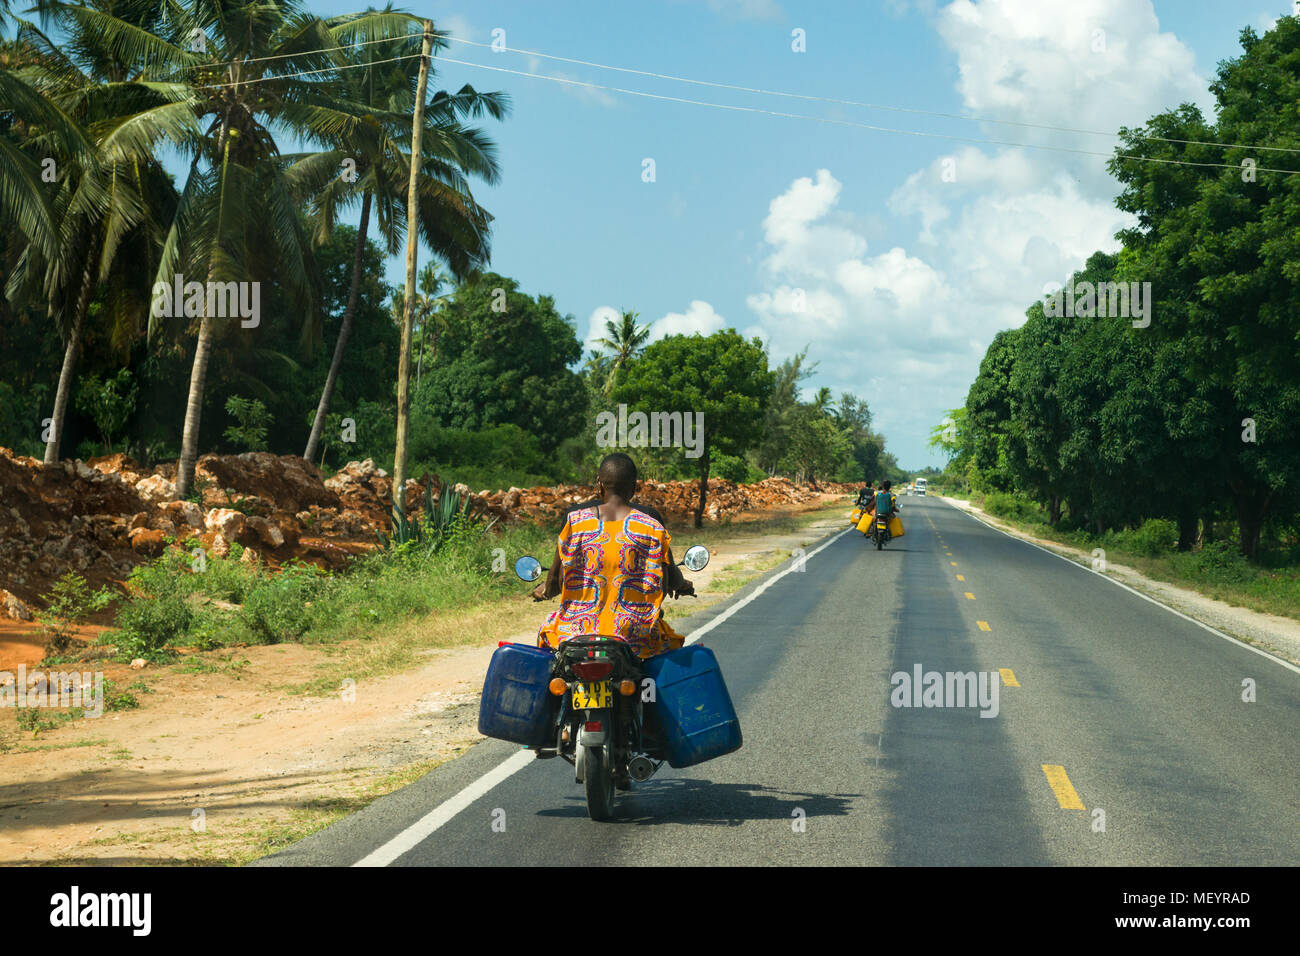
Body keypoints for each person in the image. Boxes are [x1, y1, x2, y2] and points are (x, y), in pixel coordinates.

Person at [533, 453, 689, 659]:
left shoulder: (575, 522)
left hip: (575, 633)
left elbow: (554, 584)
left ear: (599, 484)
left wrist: (542, 591)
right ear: (634, 487)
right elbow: (668, 576)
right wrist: (684, 585)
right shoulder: (652, 527)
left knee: (546, 643)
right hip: (635, 636)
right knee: (671, 655)